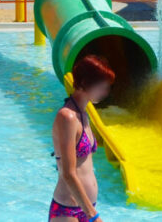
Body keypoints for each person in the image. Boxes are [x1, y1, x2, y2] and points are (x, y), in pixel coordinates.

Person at [50, 54, 115, 222]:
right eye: (103, 87)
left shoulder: (83, 114)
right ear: (86, 83)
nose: (105, 92)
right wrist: (93, 215)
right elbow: (69, 173)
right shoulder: (67, 117)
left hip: (86, 208)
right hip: (68, 211)